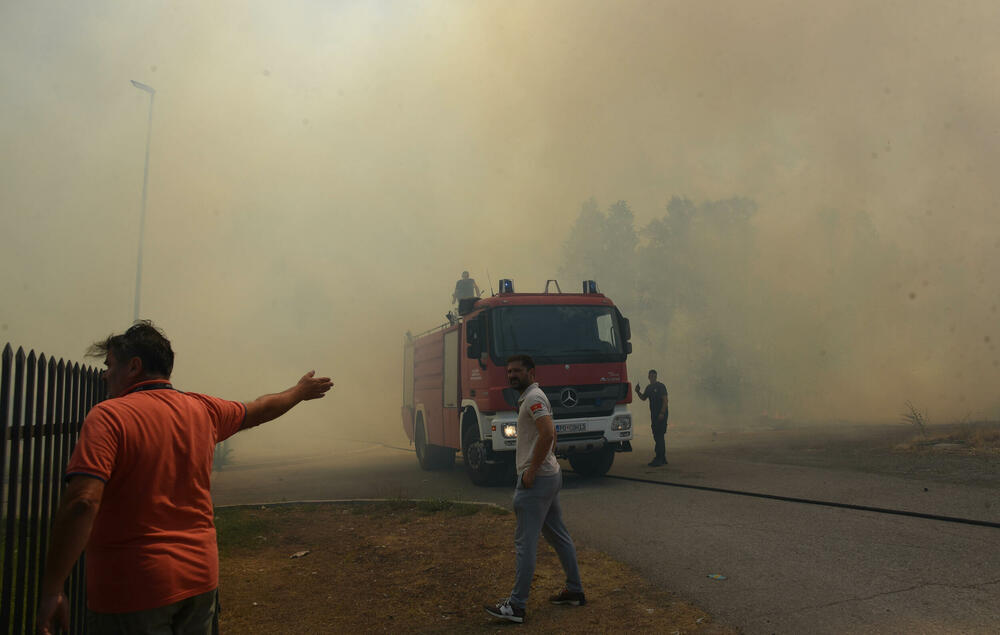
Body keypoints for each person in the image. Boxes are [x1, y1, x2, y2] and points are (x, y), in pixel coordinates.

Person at [36, 321, 333, 635]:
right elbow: (259, 408)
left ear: (134, 366)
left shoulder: (108, 416)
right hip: (200, 580)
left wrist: (53, 590)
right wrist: (299, 392)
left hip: (133, 590)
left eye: (109, 365)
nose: (105, 374)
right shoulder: (202, 409)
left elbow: (82, 501)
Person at [485, 354, 585, 624]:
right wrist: (548, 461)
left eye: (517, 370)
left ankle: (516, 606)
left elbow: (549, 432)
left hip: (537, 479)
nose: (512, 375)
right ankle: (574, 590)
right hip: (548, 476)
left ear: (531, 372)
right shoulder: (533, 397)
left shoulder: (533, 397)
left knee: (525, 543)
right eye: (509, 371)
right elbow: (551, 433)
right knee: (558, 535)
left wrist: (531, 471)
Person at [635, 369, 669, 466]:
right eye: (651, 376)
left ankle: (659, 458)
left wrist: (662, 413)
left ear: (656, 376)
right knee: (657, 435)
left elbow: (665, 400)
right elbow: (643, 398)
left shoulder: (661, 386)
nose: (652, 377)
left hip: (661, 414)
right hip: (654, 415)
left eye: (654, 376)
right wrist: (637, 392)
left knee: (659, 435)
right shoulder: (649, 388)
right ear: (648, 377)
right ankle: (662, 458)